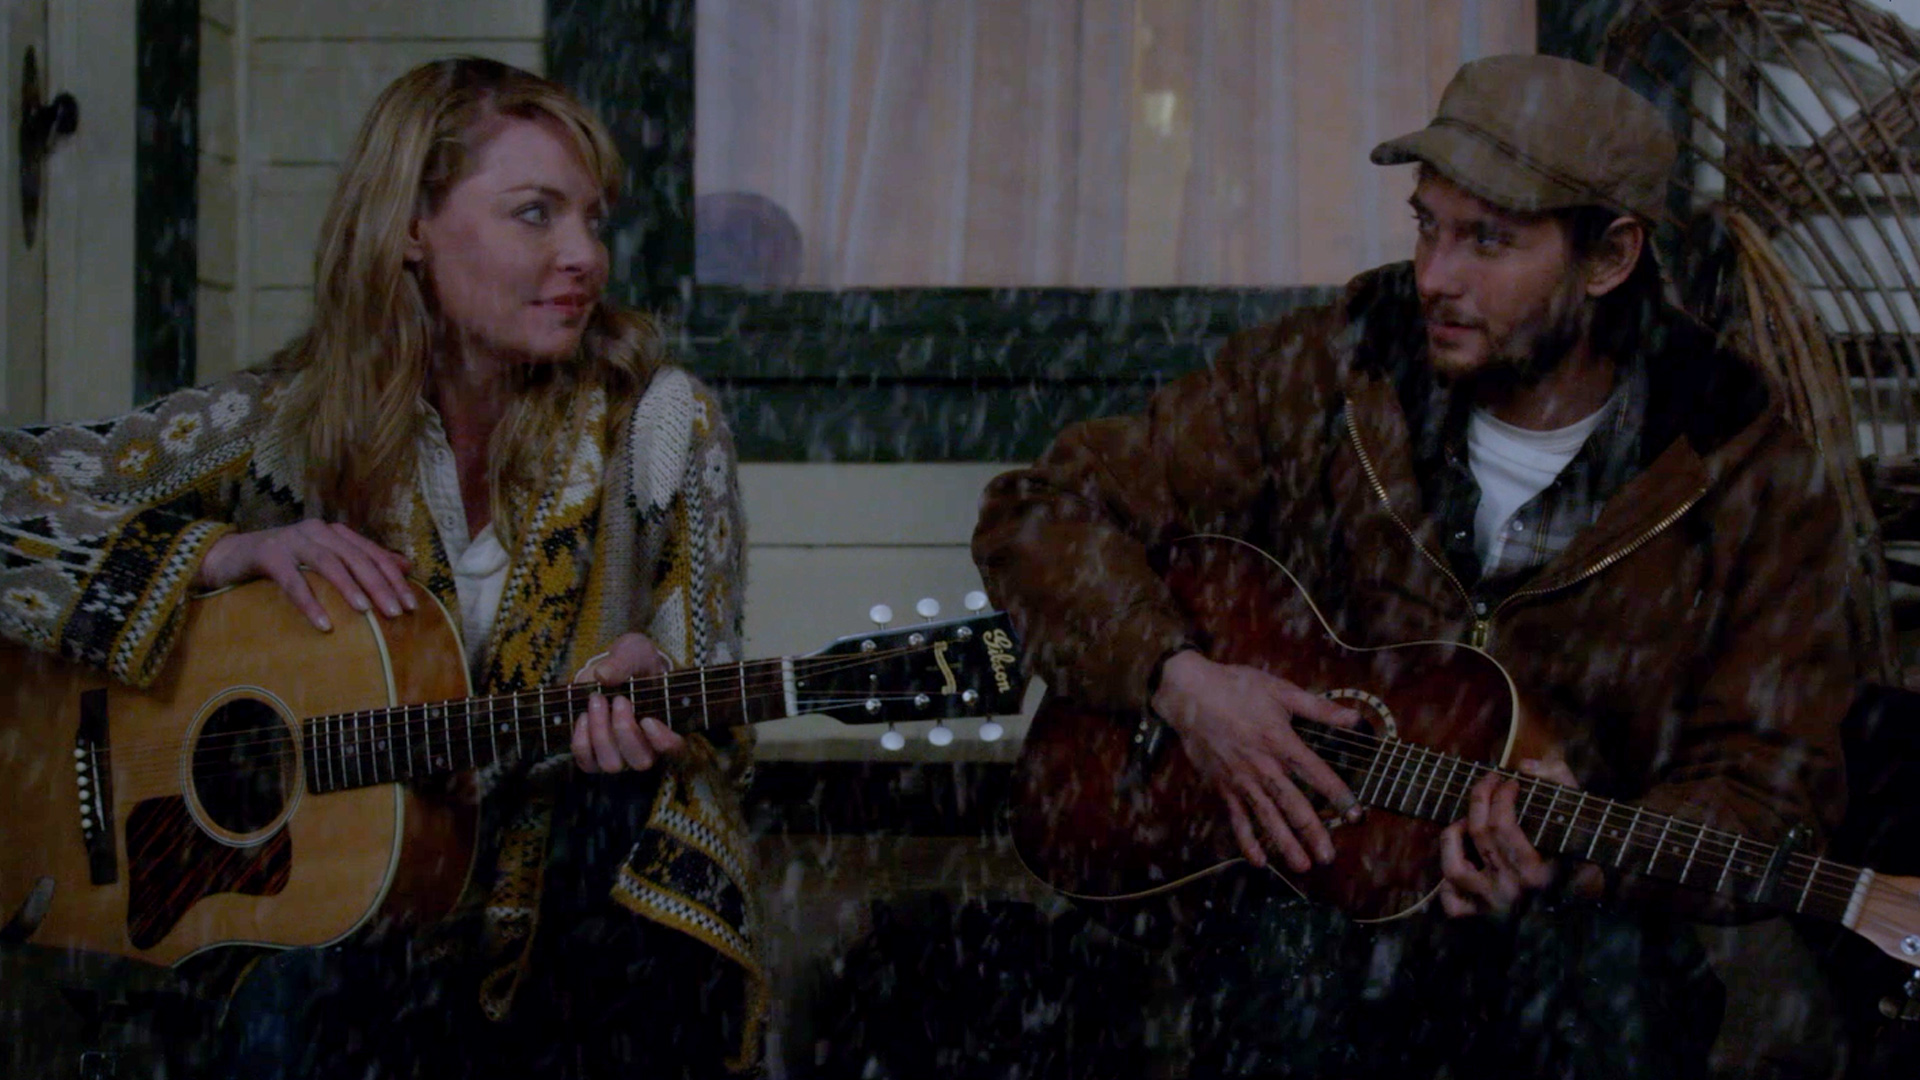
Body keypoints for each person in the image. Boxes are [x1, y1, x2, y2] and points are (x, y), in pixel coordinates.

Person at [972, 54, 1854, 1079]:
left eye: (1489, 241)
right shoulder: (1329, 369)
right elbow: (1042, 513)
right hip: (1309, 897)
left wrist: (1592, 859)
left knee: (1604, 996)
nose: (1436, 276)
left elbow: (1775, 790)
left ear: (1610, 258)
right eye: (1427, 226)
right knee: (1283, 978)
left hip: (1572, 938)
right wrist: (1183, 682)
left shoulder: (1739, 466)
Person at [0, 57, 758, 1078]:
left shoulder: (661, 427)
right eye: (535, 214)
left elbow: (718, 724)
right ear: (410, 228)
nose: (584, 254)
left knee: (634, 879)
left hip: (581, 907)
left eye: (594, 219)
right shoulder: (285, 424)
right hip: (352, 917)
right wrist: (214, 554)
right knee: (292, 1011)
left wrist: (661, 696)